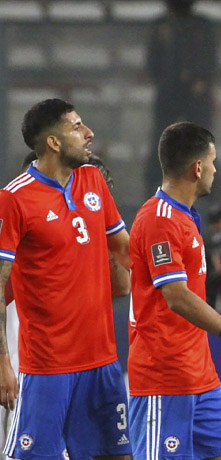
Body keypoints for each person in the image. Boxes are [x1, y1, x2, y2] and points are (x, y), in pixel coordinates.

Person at [128, 122, 221, 457]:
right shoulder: (159, 218)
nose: (215, 169)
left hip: (201, 377)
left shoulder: (187, 217)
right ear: (197, 168)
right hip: (163, 379)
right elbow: (176, 296)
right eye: (212, 162)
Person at [0, 98, 132, 457]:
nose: (88, 133)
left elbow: (123, 249)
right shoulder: (14, 199)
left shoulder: (92, 180)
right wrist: (2, 362)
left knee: (117, 455)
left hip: (103, 362)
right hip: (47, 369)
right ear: (54, 143)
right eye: (77, 127)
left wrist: (169, 280)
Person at [146, 0, 216, 193]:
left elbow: (210, 58)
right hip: (169, 92)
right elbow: (153, 61)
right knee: (162, 139)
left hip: (196, 94)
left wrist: (201, 80)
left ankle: (206, 188)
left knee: (202, 141)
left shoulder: (202, 25)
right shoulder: (162, 25)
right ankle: (156, 186)